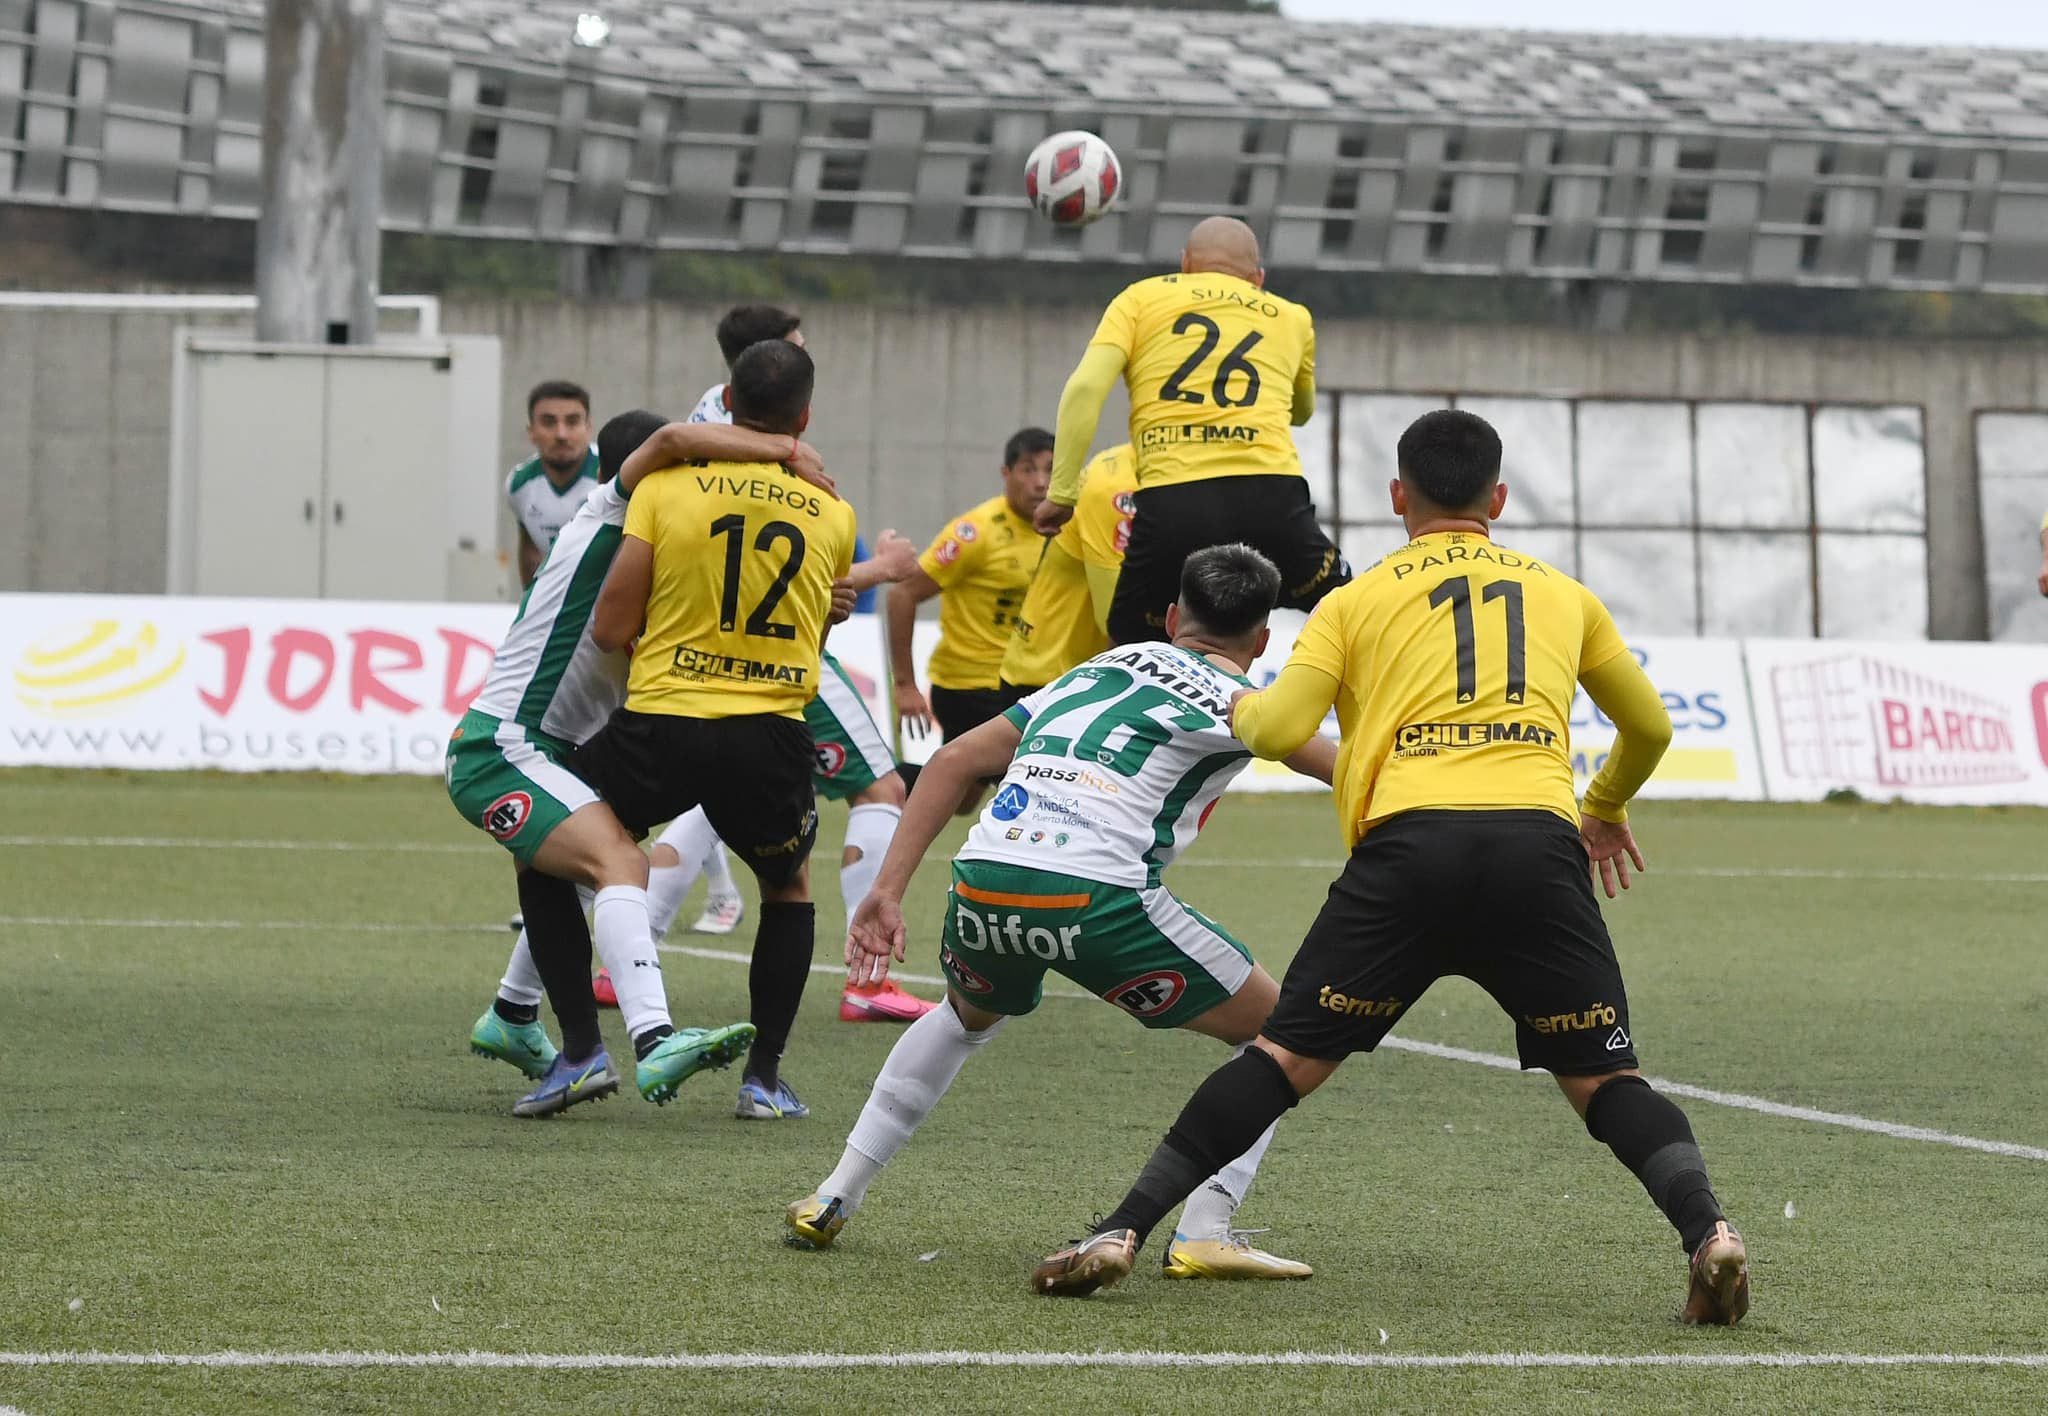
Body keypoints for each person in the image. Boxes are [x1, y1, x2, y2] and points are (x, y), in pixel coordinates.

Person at [1032, 410, 1749, 1328]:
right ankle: (1710, 1234)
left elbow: (1281, 730)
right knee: (1606, 1082)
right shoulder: (1563, 593)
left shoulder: (1355, 599)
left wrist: (1235, 702)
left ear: (1397, 497)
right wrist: (1602, 807)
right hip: (1537, 845)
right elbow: (1649, 727)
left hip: (1410, 850)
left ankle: (1122, 1230)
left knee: (1284, 1057)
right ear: (1497, 498)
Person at [787, 545, 1335, 1281]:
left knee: (961, 1018)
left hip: (984, 878)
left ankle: (833, 1195)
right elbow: (1340, 765)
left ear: (1173, 617)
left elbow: (951, 761)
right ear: (1262, 641)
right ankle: (1206, 1229)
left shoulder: (1100, 667)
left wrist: (885, 891)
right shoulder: (1244, 701)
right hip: (1096, 898)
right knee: (1281, 1037)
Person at [451, 410, 831, 1117]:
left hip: (547, 750)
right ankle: (650, 1040)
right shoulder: (610, 511)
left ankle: (528, 1020)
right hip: (502, 747)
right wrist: (786, 450)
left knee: (561, 864)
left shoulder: (650, 546)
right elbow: (670, 444)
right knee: (620, 864)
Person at [573, 340, 860, 1122]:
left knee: (560, 845)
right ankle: (764, 1081)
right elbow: (810, 641)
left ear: (726, 407)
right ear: (803, 419)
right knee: (787, 888)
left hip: (660, 721)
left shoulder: (664, 490)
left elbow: (609, 629)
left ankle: (573, 1047)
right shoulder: (833, 514)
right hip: (766, 735)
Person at [638, 305, 937, 1026]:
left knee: (705, 797)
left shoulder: (710, 429)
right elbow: (778, 561)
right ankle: (866, 980)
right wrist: (882, 569)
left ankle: (626, 961)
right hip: (772, 651)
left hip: (702, 647)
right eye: (798, 349)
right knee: (880, 789)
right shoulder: (761, 445)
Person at [1041, 217, 1345, 645]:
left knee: (1133, 641)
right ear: (1258, 279)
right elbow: (1301, 412)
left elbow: (1085, 388)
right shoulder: (1293, 317)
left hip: (1176, 503)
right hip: (1274, 501)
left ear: (1184, 266)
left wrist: (1062, 493)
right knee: (1351, 609)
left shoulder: (1140, 298)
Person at [888, 428, 1053, 752]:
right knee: (1028, 772)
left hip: (1024, 681)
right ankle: (883, 793)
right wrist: (905, 684)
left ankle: (892, 794)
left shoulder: (1063, 528)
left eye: (1049, 469)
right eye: (1029, 469)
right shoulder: (975, 533)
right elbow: (902, 594)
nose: (1041, 482)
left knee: (962, 794)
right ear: (1006, 474)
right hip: (971, 686)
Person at [997, 443, 1137, 700]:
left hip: (1074, 673)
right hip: (1051, 679)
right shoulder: (1117, 483)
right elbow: (1115, 617)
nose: (1040, 483)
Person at [507, 380, 601, 587]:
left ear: (588, 427)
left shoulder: (615, 475)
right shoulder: (519, 485)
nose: (561, 434)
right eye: (549, 423)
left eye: (572, 421)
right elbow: (530, 550)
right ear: (531, 431)